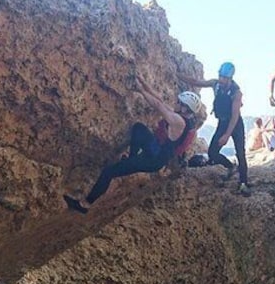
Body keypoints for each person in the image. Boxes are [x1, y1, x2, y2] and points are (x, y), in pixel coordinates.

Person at [63, 77, 204, 214]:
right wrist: (143, 83)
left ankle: (85, 204)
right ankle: (131, 157)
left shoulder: (179, 122)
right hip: (154, 148)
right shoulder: (183, 117)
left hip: (152, 160)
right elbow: (160, 100)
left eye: (180, 102)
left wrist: (141, 91)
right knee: (138, 128)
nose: (176, 103)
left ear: (186, 109)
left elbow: (158, 105)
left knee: (108, 172)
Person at [179, 62, 250, 196]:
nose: (221, 80)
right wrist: (178, 75)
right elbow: (197, 82)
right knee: (212, 153)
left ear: (230, 78)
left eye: (225, 78)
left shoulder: (236, 93)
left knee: (240, 152)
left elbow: (235, 116)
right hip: (222, 122)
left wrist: (227, 135)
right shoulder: (215, 84)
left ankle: (243, 183)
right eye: (220, 76)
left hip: (235, 124)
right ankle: (230, 167)